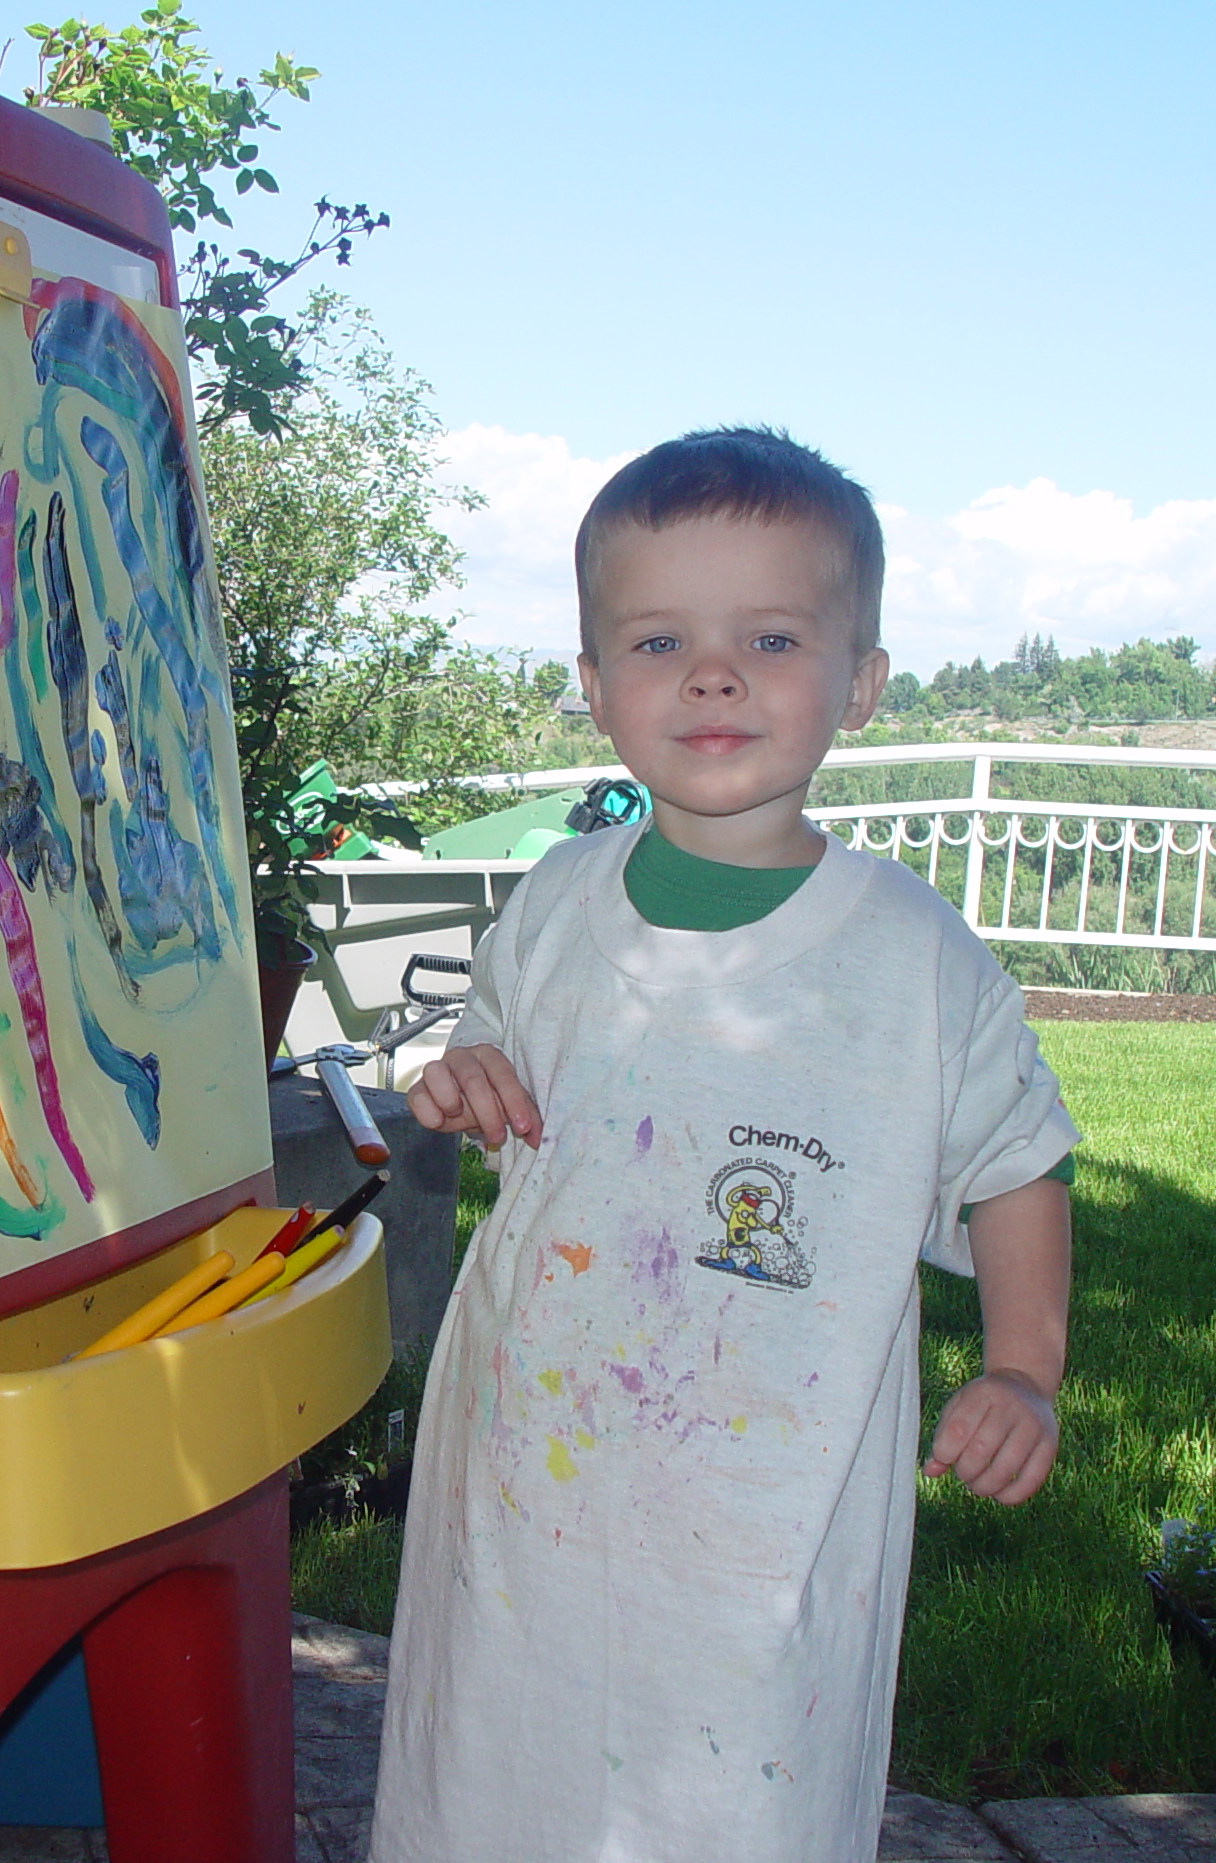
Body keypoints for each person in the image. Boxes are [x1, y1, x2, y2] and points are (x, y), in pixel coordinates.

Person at [367, 428, 1078, 1863]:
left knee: (736, 1795)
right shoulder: (559, 901)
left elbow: (1016, 1162)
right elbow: (491, 1049)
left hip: (765, 1523)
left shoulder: (913, 961)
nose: (712, 674)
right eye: (657, 638)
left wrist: (1024, 1368)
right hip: (527, 1491)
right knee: (491, 1783)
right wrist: (469, 1076)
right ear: (595, 685)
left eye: (769, 635)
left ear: (860, 684)